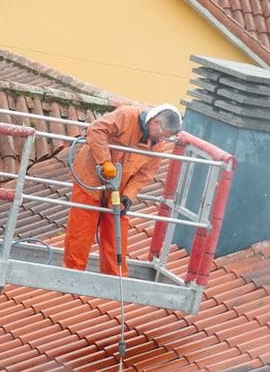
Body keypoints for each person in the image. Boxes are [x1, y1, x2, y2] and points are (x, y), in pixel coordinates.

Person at [62, 101, 182, 275]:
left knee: (116, 235)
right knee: (80, 231)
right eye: (163, 135)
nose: (162, 140)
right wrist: (105, 161)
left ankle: (114, 278)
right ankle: (71, 274)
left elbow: (146, 173)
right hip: (90, 181)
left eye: (166, 137)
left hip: (118, 190)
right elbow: (96, 129)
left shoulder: (157, 144)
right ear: (155, 122)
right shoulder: (126, 116)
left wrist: (129, 194)